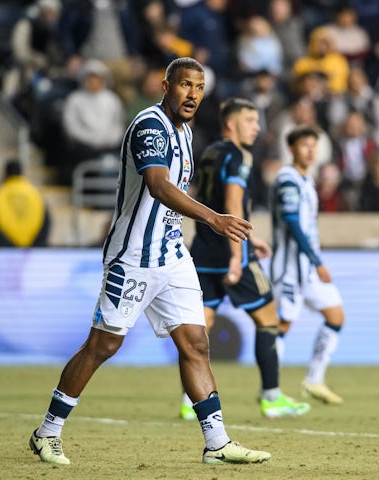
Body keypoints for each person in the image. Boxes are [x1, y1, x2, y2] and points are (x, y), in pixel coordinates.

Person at [28, 57, 270, 466]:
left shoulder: (185, 131)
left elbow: (173, 194)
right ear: (165, 85)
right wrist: (213, 218)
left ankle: (217, 443)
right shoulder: (150, 126)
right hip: (134, 256)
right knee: (103, 344)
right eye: (184, 85)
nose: (192, 94)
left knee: (195, 344)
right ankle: (46, 432)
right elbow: (157, 185)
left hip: (172, 254)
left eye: (199, 87)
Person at [185, 97, 311, 420]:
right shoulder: (240, 156)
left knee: (200, 328)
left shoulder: (211, 152)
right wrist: (238, 255)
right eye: (251, 120)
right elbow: (232, 202)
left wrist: (251, 236)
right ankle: (271, 398)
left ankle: (191, 402)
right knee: (268, 320)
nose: (257, 128)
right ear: (231, 123)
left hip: (202, 252)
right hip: (231, 253)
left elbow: (207, 202)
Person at [269, 125, 345, 405]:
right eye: (304, 145)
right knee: (283, 325)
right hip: (290, 268)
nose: (310, 150)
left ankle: (314, 380)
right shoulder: (288, 179)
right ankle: (271, 391)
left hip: (308, 271)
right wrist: (316, 260)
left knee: (336, 315)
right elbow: (292, 225)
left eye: (314, 145)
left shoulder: (307, 181)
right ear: (291, 149)